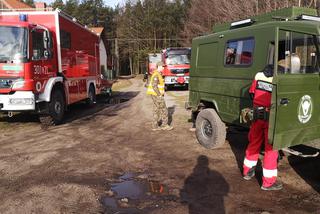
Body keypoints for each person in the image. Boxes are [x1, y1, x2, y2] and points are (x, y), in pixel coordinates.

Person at [242, 65, 283, 191]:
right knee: (271, 149)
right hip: (270, 118)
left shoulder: (259, 75)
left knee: (254, 143)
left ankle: (247, 172)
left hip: (257, 115)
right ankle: (268, 183)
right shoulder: (279, 78)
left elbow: (251, 92)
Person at [147, 61, 173, 131]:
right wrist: (159, 95)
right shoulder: (156, 74)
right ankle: (164, 125)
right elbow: (154, 86)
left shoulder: (158, 74)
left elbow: (158, 85)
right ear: (159, 66)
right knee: (164, 110)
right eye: (162, 67)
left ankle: (154, 126)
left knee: (156, 110)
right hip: (156, 95)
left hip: (155, 95)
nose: (163, 68)